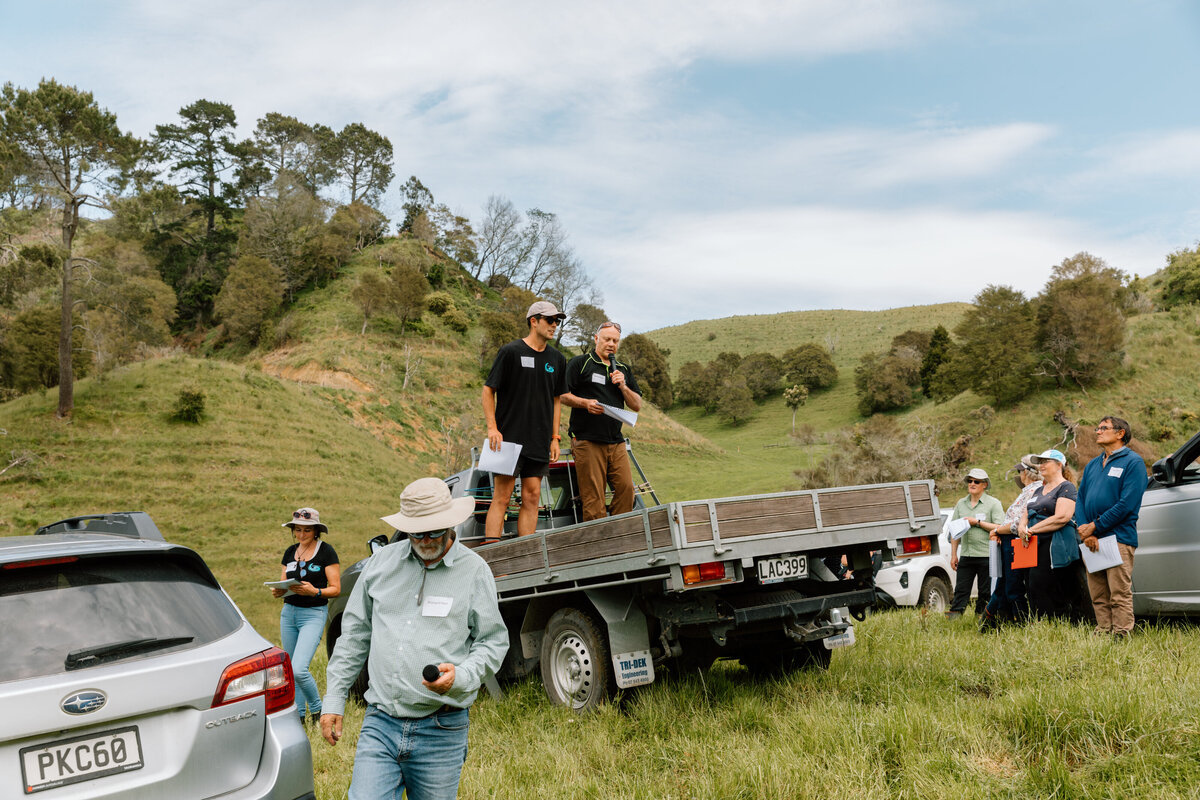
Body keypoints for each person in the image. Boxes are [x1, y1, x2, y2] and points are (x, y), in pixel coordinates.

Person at [321, 478, 508, 800]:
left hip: (441, 730)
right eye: (416, 533)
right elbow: (354, 636)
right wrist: (334, 699)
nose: (425, 540)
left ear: (450, 523)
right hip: (381, 723)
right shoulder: (380, 564)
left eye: (434, 531)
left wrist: (462, 676)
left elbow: (492, 642)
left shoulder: (474, 571)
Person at [481, 301, 569, 543]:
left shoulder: (557, 359)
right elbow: (488, 390)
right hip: (507, 439)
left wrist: (555, 438)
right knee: (502, 497)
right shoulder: (510, 351)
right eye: (550, 320)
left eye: (557, 321)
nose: (554, 325)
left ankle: (527, 553)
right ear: (534, 321)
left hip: (539, 441)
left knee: (532, 497)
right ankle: (493, 554)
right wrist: (492, 428)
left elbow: (557, 400)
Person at [1076, 416, 1147, 638]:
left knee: (1119, 593)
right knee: (1098, 593)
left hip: (1118, 537)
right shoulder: (1092, 464)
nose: (1097, 431)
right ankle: (1103, 631)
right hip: (1091, 538)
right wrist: (1085, 530)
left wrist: (1095, 526)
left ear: (1120, 433)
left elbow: (1127, 504)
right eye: (1097, 428)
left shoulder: (1133, 462)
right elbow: (1080, 498)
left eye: (1103, 428)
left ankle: (1121, 634)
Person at [565, 320, 643, 520]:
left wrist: (623, 386)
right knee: (594, 498)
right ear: (596, 338)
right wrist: (585, 404)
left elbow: (637, 404)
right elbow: (562, 395)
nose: (611, 344)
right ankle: (599, 538)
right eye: (607, 339)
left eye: (615, 341)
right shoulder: (580, 363)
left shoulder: (623, 369)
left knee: (627, 489)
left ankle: (618, 532)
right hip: (587, 440)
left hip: (615, 441)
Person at [272, 507, 340, 723]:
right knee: (291, 670)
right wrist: (278, 591)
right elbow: (283, 581)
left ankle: (318, 709)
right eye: (298, 530)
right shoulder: (289, 552)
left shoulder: (326, 552)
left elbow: (336, 589)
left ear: (316, 531)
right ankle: (299, 715)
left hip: (313, 613)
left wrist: (315, 591)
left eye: (307, 530)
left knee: (299, 669)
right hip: (288, 613)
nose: (301, 534)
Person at [1020, 449, 1086, 620]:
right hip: (1034, 544)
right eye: (1039, 462)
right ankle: (1044, 622)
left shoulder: (1067, 487)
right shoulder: (1038, 490)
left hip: (1056, 544)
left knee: (1058, 584)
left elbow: (1062, 517)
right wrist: (1022, 527)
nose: (1041, 465)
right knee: (1035, 584)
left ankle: (1066, 621)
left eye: (1045, 462)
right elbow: (1026, 513)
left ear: (1058, 465)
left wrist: (1032, 529)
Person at [977, 455, 1041, 630]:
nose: (1019, 474)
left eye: (1020, 471)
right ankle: (996, 620)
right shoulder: (1028, 491)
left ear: (1026, 472)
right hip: (1010, 540)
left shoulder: (1034, 491)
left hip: (1016, 541)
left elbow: (1018, 522)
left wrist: (998, 530)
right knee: (1005, 583)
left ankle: (1020, 622)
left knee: (1013, 585)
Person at [947, 468, 1003, 618]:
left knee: (985, 592)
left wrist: (977, 522)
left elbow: (1000, 527)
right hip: (966, 554)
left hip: (987, 555)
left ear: (984, 485)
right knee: (960, 590)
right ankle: (952, 621)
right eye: (969, 481)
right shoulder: (961, 504)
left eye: (976, 482)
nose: (972, 484)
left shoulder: (994, 504)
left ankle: (982, 620)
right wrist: (954, 555)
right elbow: (954, 530)